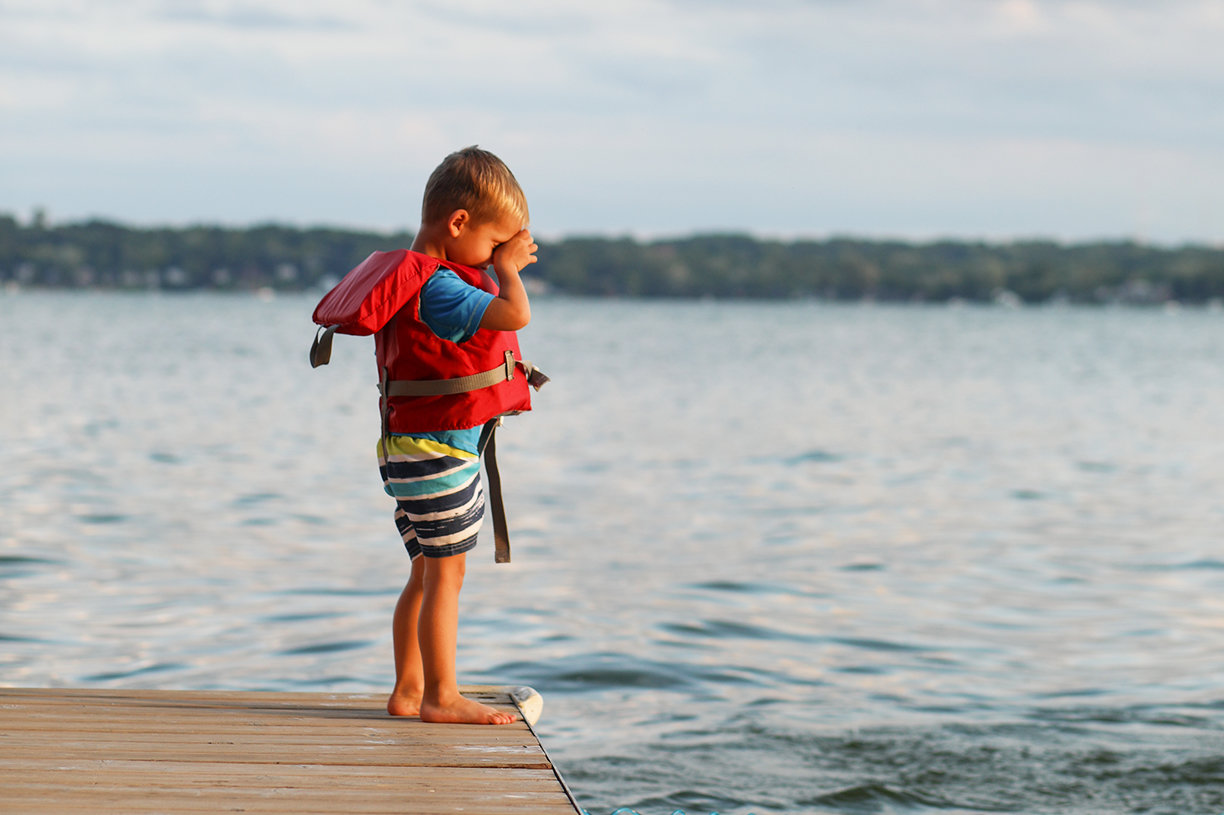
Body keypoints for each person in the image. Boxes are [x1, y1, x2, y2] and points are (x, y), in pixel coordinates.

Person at [378, 146, 538, 725]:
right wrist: (509, 270)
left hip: (411, 452)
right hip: (440, 455)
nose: (495, 255)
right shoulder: (440, 289)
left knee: (425, 571)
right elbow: (515, 316)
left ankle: (408, 689)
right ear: (459, 224)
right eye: (493, 243)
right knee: (447, 574)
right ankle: (440, 697)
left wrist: (496, 258)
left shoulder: (421, 278)